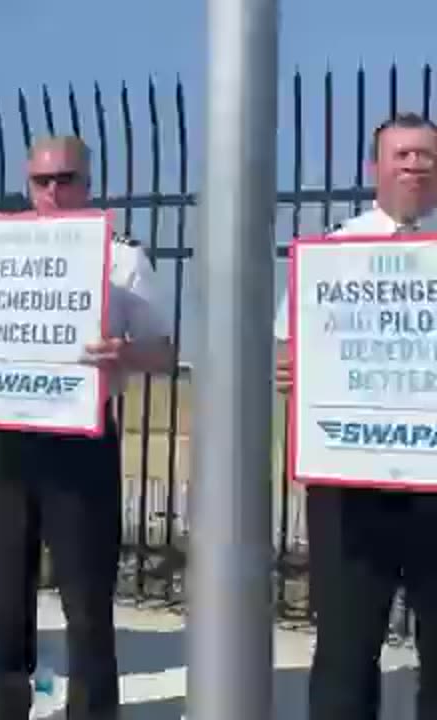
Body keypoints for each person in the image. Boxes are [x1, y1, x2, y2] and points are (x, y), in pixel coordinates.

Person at [0, 135, 174, 720]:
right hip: (10, 439)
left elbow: (165, 351)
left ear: (88, 183)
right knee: (5, 583)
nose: (51, 192)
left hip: (81, 441)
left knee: (86, 590)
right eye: (41, 181)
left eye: (64, 179)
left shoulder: (122, 258)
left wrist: (123, 352)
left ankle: (93, 709)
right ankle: (6, 698)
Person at [274, 112, 437, 720]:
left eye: (425, 155)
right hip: (350, 488)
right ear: (376, 167)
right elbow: (293, 351)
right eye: (402, 154)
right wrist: (292, 373)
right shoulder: (334, 251)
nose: (414, 165)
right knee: (345, 651)